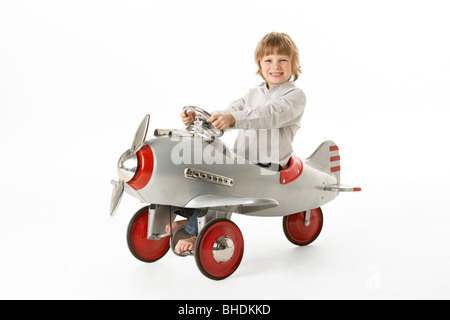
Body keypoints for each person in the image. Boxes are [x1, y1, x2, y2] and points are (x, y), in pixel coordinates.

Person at [170, 32, 306, 254]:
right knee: (199, 171)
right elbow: (232, 111)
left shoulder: (295, 96)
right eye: (268, 60)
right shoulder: (253, 92)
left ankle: (196, 232)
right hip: (242, 161)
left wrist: (234, 119)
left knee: (224, 184)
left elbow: (269, 115)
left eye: (283, 60)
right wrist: (202, 118)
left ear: (293, 64)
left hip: (268, 168)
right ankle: (186, 217)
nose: (276, 66)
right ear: (260, 64)